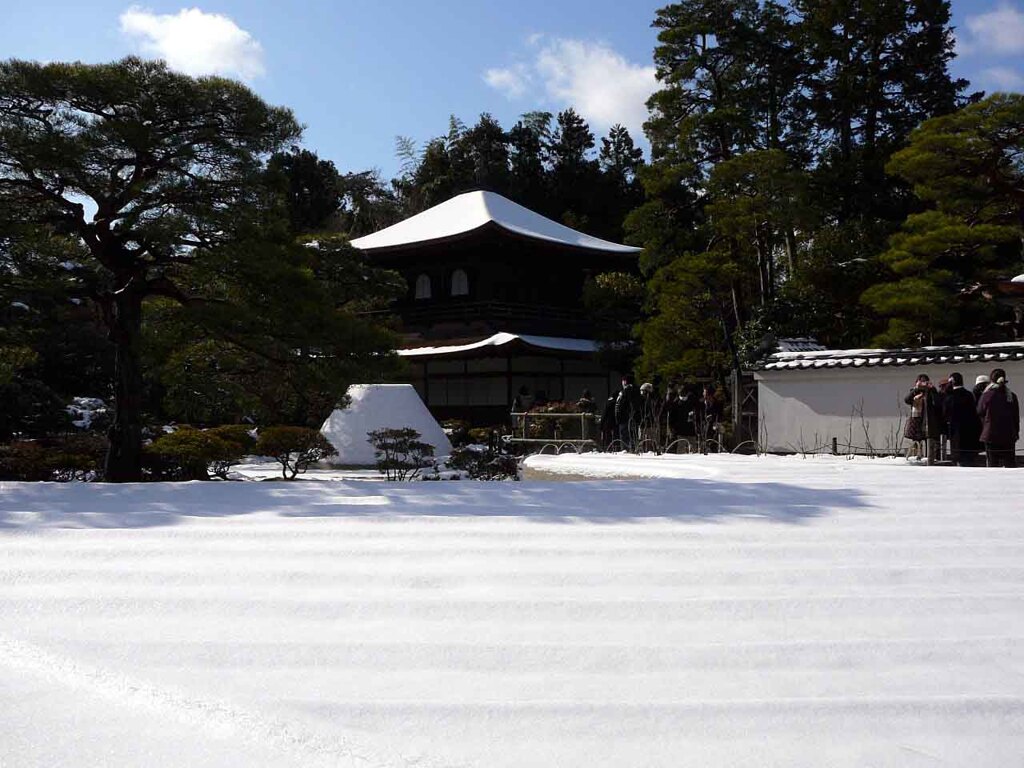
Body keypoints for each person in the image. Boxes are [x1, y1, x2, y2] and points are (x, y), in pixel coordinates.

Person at [977, 367, 1020, 468]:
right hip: (1008, 435)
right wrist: (1016, 432)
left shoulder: (987, 395)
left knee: (993, 466)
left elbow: (979, 411)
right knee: (1009, 464)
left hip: (990, 434)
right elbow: (1015, 417)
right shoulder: (1011, 396)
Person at [942, 371, 982, 467]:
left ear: (952, 381)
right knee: (970, 459)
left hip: (956, 433)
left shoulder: (949, 397)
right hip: (970, 431)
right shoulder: (970, 395)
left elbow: (945, 415)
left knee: (959, 459)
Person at [904, 374, 941, 464]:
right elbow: (907, 400)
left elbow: (937, 402)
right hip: (916, 420)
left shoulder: (931, 391)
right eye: (921, 381)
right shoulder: (914, 391)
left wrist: (932, 389)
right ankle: (916, 458)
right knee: (916, 441)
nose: (923, 384)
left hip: (928, 420)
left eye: (925, 381)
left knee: (929, 441)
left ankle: (931, 459)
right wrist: (916, 389)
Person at [614, 375, 642, 451]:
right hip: (628, 419)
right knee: (630, 437)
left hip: (626, 419)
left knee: (626, 438)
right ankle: (631, 449)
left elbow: (622, 405)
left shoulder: (627, 391)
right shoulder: (634, 391)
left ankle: (628, 451)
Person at [696, 384, 723, 453]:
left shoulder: (718, 404)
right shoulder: (700, 403)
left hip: (713, 430)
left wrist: (715, 423)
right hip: (703, 430)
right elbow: (698, 417)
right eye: (704, 392)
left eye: (705, 393)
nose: (704, 394)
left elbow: (719, 416)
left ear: (710, 394)